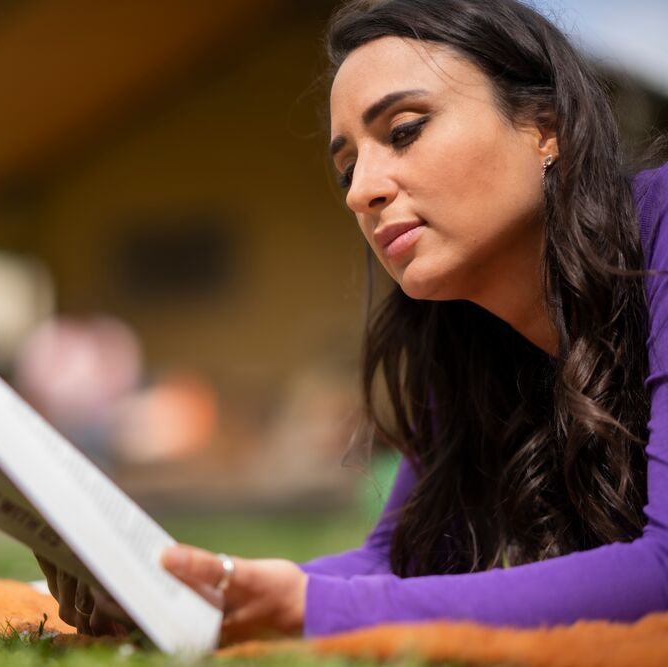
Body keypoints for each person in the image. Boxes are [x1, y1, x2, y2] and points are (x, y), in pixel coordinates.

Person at [36, 0, 668, 644]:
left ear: (546, 127)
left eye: (404, 130)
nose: (363, 190)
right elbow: (394, 563)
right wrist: (185, 585)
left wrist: (309, 610)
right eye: (345, 168)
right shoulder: (460, 332)